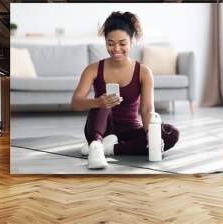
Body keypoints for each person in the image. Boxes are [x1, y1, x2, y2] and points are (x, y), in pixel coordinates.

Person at [71, 11, 179, 169]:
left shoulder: (143, 72)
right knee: (103, 101)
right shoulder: (93, 69)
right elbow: (75, 103)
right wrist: (98, 101)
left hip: (130, 130)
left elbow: (147, 109)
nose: (116, 49)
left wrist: (151, 133)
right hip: (101, 128)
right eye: (110, 43)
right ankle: (96, 144)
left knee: (171, 133)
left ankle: (110, 149)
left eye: (122, 43)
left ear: (132, 42)